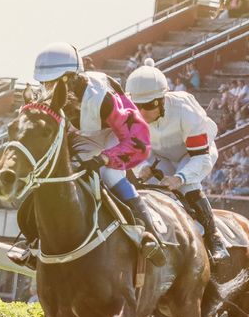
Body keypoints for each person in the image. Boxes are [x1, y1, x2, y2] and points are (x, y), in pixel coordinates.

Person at [14, 42, 160, 267]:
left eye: (53, 82)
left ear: (70, 78)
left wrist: (105, 158)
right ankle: (32, 241)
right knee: (53, 176)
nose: (47, 88)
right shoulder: (44, 96)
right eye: (44, 82)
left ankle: (148, 236)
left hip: (115, 134)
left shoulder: (101, 96)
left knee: (110, 176)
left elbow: (138, 139)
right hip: (81, 136)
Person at [125, 64, 226, 260]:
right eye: (138, 106)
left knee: (188, 186)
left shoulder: (185, 110)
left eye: (149, 105)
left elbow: (200, 157)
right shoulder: (131, 116)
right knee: (148, 192)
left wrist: (180, 178)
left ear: (163, 100)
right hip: (160, 155)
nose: (143, 112)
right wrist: (141, 167)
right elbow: (132, 150)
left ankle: (214, 238)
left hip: (194, 154)